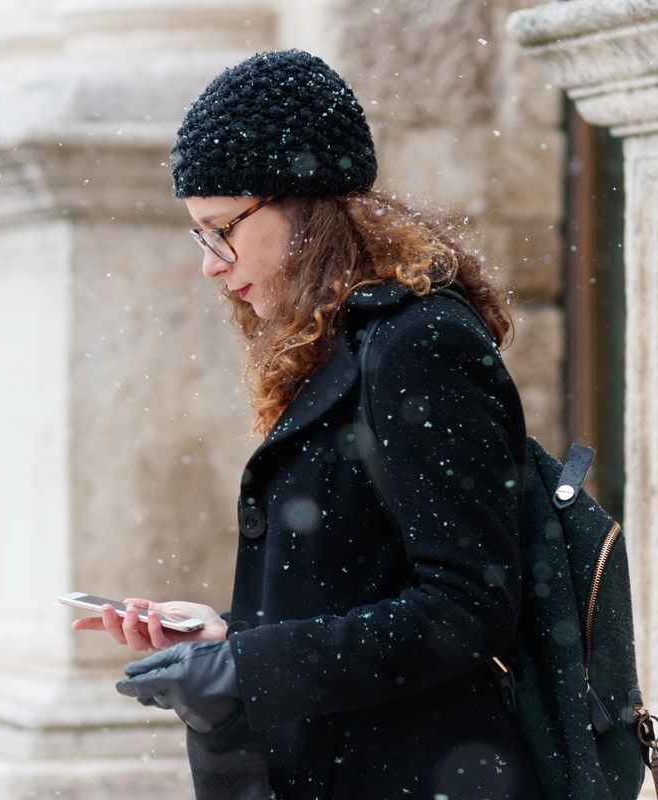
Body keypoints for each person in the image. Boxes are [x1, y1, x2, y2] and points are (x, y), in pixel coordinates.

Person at [73, 49, 545, 800]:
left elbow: (467, 607)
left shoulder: (420, 345)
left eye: (220, 227)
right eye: (199, 236)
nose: (211, 264)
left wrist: (248, 671)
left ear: (302, 200)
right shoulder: (342, 346)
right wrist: (229, 635)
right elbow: (357, 584)